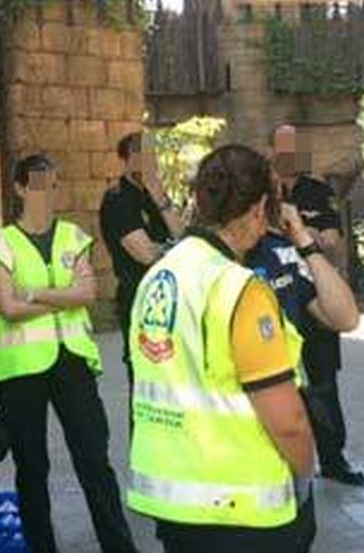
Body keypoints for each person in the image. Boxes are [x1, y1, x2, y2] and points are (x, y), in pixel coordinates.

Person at [128, 144, 316, 553]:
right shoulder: (237, 287)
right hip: (241, 507)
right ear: (259, 207)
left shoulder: (160, 276)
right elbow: (288, 421)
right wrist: (305, 474)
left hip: (176, 502)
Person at [0, 154, 138, 553]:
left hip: (73, 362)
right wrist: (63, 298)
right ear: (19, 189)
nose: (45, 193)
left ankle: (119, 547)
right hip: (19, 369)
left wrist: (34, 293)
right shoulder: (1, 244)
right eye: (37, 184)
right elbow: (8, 308)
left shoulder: (73, 235)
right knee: (32, 469)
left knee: (94, 462)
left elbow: (87, 293)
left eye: (51, 184)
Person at [270, 124, 364, 486]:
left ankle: (333, 458)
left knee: (323, 382)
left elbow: (332, 240)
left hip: (314, 292)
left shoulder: (317, 191)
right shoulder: (261, 192)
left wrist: (298, 234)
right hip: (276, 295)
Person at [99, 132, 184, 386]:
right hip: (139, 300)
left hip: (172, 298)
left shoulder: (155, 196)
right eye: (140, 156)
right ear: (125, 160)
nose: (148, 163)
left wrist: (161, 199)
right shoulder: (117, 199)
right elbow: (145, 254)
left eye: (151, 156)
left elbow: (183, 235)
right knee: (147, 382)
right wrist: (175, 249)